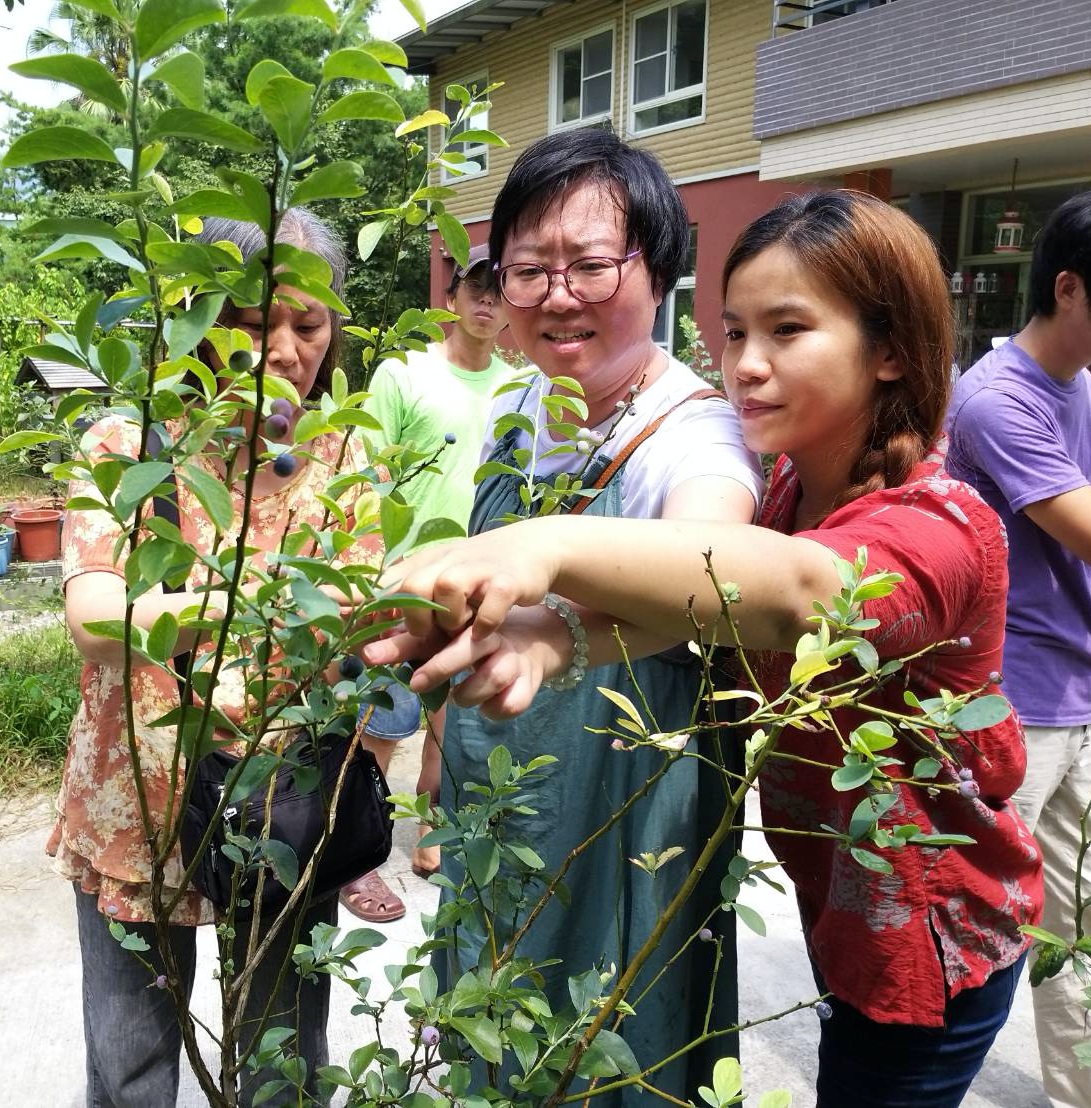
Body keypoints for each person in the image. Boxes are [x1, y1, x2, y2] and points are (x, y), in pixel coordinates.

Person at [367, 190, 1043, 1106]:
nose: (746, 367)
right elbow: (706, 607)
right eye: (732, 333)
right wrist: (554, 637)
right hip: (839, 907)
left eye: (787, 330)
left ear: (890, 350)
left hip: (928, 935)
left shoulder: (940, 527)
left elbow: (790, 594)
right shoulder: (792, 489)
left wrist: (550, 546)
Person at [419, 128, 765, 1104]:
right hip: (500, 795)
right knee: (490, 1025)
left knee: (605, 1041)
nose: (556, 293)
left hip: (619, 813)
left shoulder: (692, 428)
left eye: (589, 264)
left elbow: (716, 566)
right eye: (528, 268)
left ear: (655, 270)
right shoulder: (518, 406)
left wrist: (560, 584)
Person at [54, 209, 378, 1107]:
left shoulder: (347, 455)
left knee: (283, 1063)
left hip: (283, 801)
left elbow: (357, 622)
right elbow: (92, 616)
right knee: (131, 1067)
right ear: (194, 326)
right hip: (140, 803)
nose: (281, 350)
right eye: (247, 324)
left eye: (306, 325)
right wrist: (263, 603)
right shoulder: (129, 450)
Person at [945, 184, 1091, 1108]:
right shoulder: (994, 403)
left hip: (1076, 695)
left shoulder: (1076, 388)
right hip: (1010, 710)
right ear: (1070, 288)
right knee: (968, 933)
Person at [359, 242, 516, 893]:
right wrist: (369, 569)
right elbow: (367, 474)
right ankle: (357, 849)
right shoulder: (404, 372)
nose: (486, 300)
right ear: (450, 297)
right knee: (379, 726)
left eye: (499, 290)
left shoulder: (518, 386)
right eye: (475, 286)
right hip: (402, 580)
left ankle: (428, 832)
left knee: (448, 727)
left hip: (478, 585)